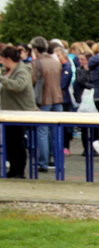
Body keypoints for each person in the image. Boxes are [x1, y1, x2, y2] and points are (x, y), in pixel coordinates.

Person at [0, 45, 38, 178]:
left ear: (8, 58)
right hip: (9, 112)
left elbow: (19, 86)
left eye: (2, 58)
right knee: (10, 142)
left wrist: (2, 79)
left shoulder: (22, 70)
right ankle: (13, 169)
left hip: (22, 111)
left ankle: (19, 171)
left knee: (18, 143)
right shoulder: (7, 70)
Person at [30, 36, 63, 172]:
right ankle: (57, 160)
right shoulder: (56, 61)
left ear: (36, 49)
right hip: (58, 97)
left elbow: (32, 80)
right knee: (56, 132)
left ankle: (43, 162)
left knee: (42, 131)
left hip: (44, 98)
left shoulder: (37, 63)